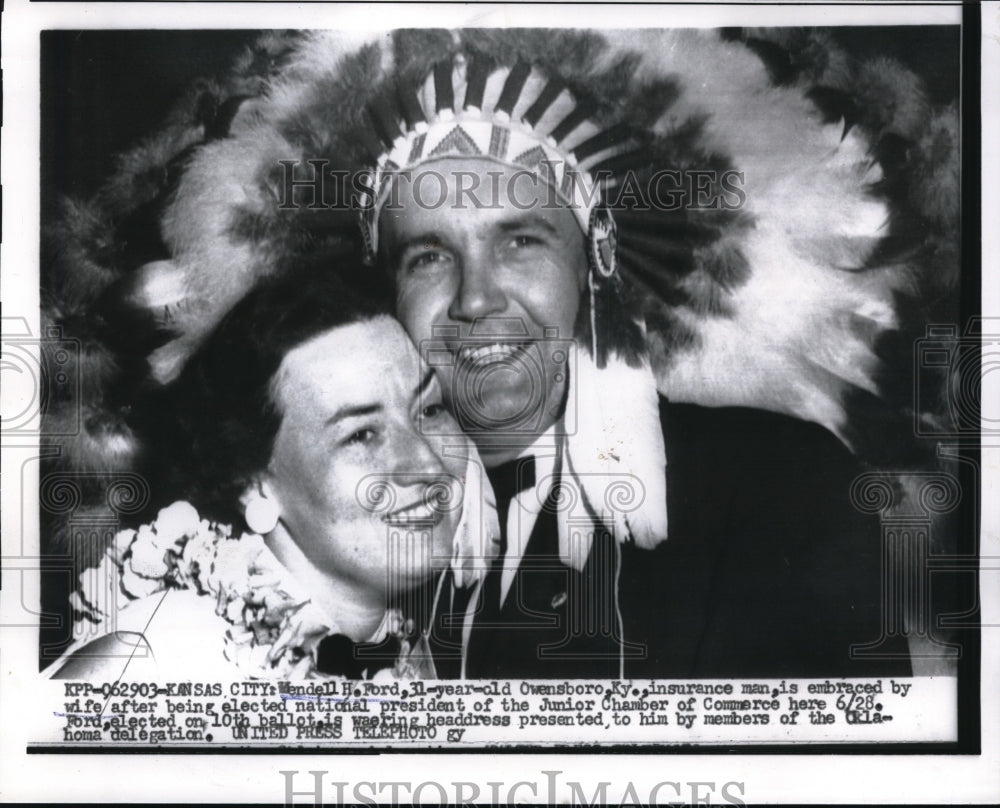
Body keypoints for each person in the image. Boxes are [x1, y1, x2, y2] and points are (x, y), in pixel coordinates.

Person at [52, 271, 495, 681]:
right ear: (253, 484)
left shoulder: (406, 654)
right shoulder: (156, 655)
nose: (429, 465)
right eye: (361, 435)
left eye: (431, 409)